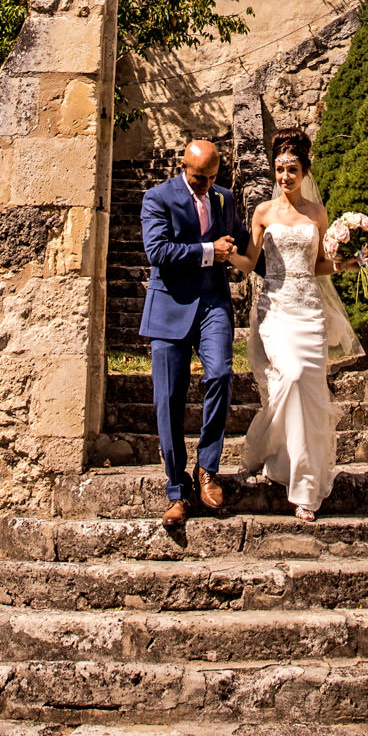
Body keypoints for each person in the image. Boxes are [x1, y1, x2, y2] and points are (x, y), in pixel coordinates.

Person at [228, 130, 359, 525]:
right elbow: (251, 262)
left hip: (309, 310)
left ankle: (303, 486)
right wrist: (224, 255)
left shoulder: (317, 215)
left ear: (305, 172)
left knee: (309, 392)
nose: (285, 176)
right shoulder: (263, 213)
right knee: (291, 379)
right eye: (280, 169)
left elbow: (319, 263)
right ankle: (269, 451)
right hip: (277, 307)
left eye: (293, 170)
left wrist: (343, 264)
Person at [139, 137, 250, 532]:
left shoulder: (225, 198)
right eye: (198, 178)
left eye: (212, 178)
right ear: (183, 166)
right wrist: (208, 251)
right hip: (169, 307)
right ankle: (176, 490)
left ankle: (208, 467)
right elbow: (157, 251)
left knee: (220, 373)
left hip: (213, 303)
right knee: (167, 400)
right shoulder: (157, 198)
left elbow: (243, 237)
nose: (205, 186)